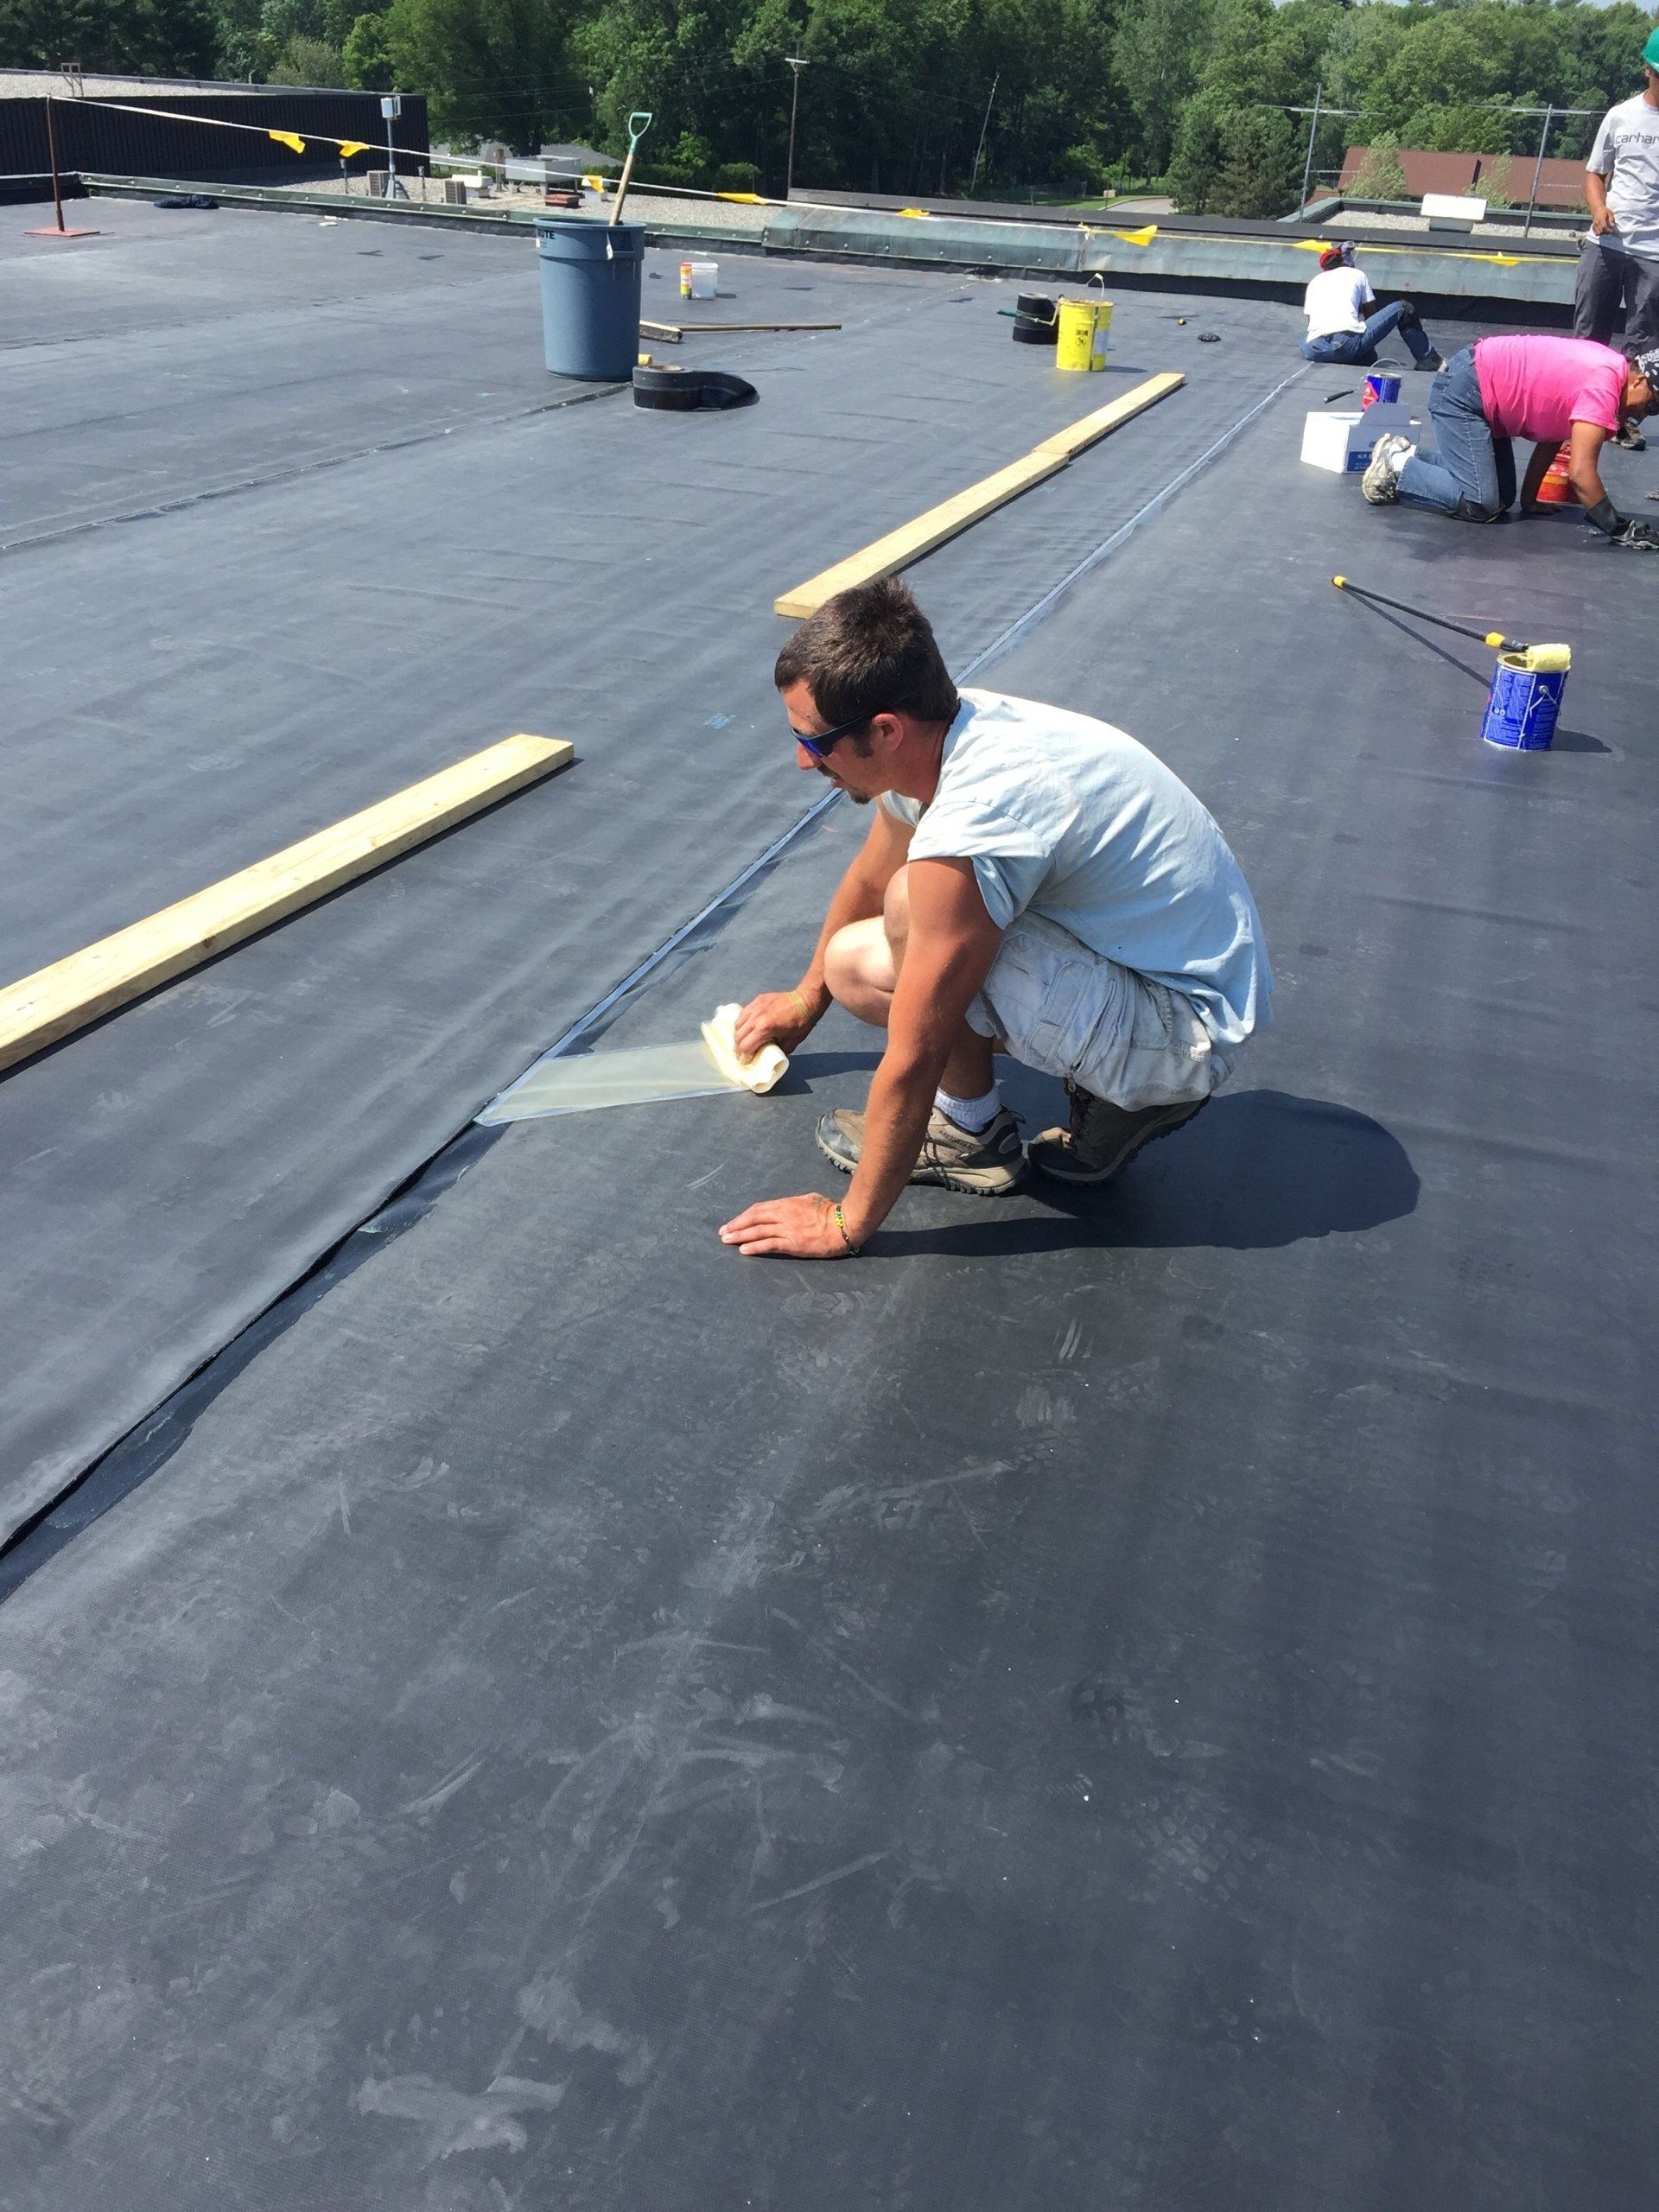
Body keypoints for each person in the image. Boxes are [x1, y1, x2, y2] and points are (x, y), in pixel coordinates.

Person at [717, 581, 1272, 1262]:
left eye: (817, 741)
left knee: (915, 909)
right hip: (1150, 975)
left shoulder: (982, 812)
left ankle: (972, 1135)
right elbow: (867, 875)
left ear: (885, 730)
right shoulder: (944, 738)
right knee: (850, 964)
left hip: (1183, 1029)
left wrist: (845, 1224)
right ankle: (1118, 1097)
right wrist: (807, 1001)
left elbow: (917, 1050)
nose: (804, 760)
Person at [1362, 334, 1659, 546]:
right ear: (1639, 380)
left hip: (1480, 389)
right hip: (1466, 394)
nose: (1647, 412)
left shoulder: (1609, 370)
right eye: (1653, 403)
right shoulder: (1605, 386)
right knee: (1482, 502)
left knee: (1503, 499)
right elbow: (1581, 474)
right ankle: (1398, 465)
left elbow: (1554, 437)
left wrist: (1529, 500)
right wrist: (1618, 528)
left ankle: (1406, 451)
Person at [1573, 25, 1659, 445]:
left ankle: (1624, 418)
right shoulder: (1621, 115)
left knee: (1644, 344)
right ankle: (1578, 411)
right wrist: (1598, 207)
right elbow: (1594, 172)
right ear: (1647, 69)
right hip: (1607, 244)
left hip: (1654, 254)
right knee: (1591, 333)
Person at [1299, 242, 1444, 371]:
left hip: (1313, 349)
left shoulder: (1315, 281)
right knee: (1403, 308)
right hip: (1345, 344)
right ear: (1348, 262)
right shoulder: (1357, 274)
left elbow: (1310, 321)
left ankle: (1351, 354)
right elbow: (1371, 316)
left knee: (1316, 336)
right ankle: (1428, 358)